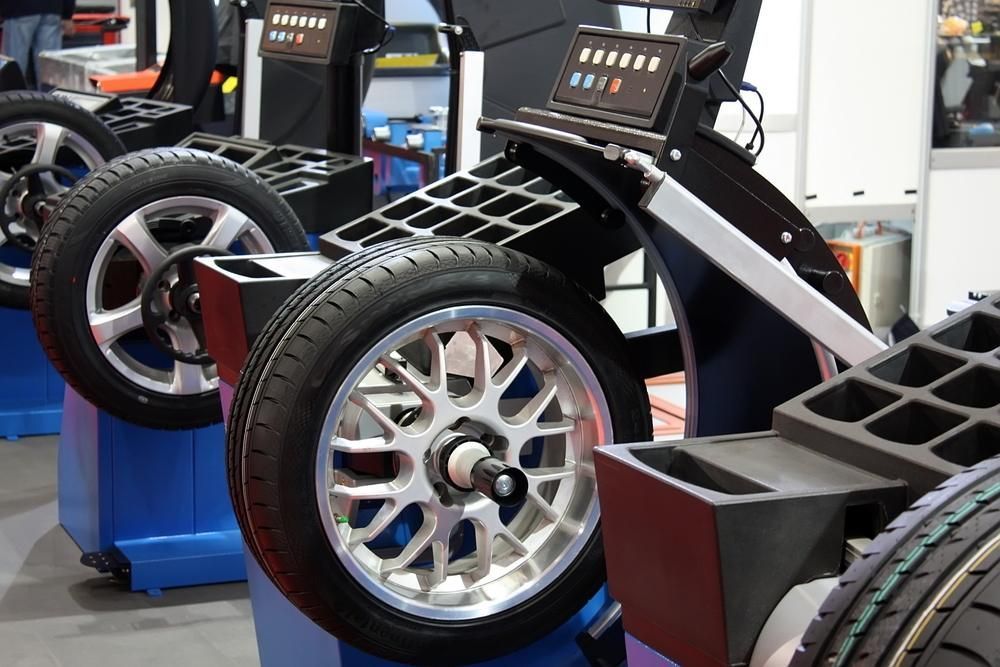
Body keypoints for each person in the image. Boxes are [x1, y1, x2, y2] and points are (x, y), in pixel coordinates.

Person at [0, 1, 76, 86]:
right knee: (49, 67)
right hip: (52, 8)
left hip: (18, 8)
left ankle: (13, 97)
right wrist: (67, 14)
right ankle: (50, 98)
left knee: (15, 64)